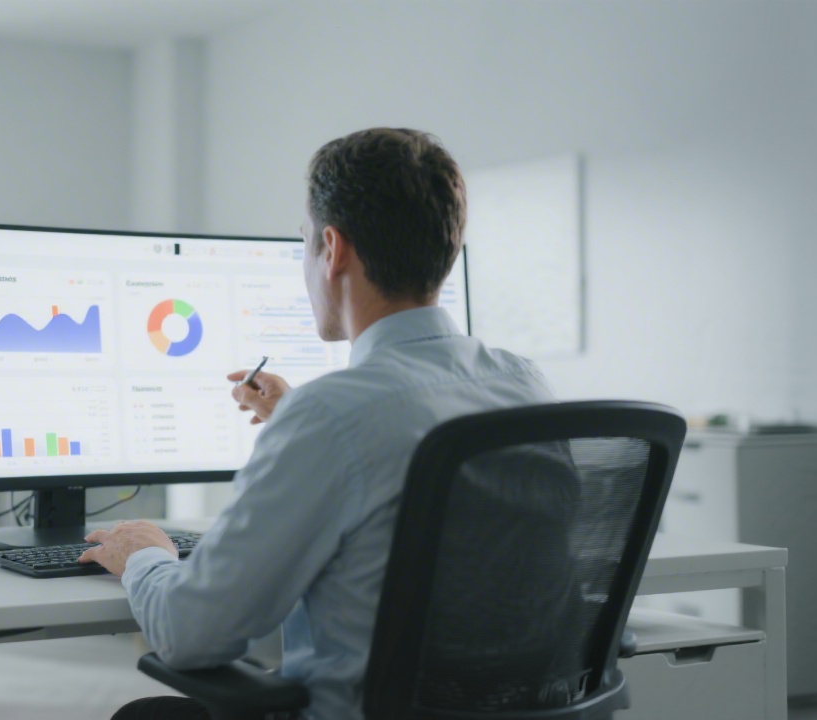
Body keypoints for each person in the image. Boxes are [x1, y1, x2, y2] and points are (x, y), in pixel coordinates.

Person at [78, 128, 555, 720]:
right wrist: (304, 426)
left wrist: (145, 555)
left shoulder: (334, 417)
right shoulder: (523, 383)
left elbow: (190, 634)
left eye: (302, 243)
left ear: (333, 249)